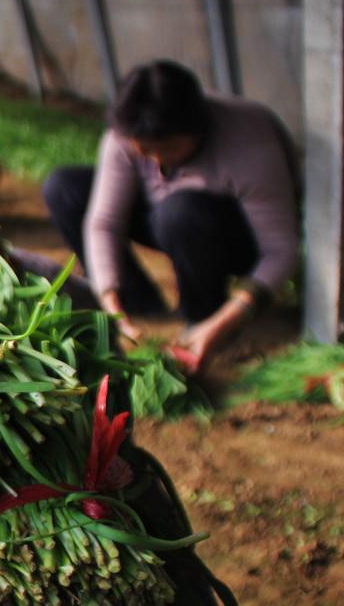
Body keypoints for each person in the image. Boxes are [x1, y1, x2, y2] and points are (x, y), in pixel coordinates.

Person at [43, 60, 300, 372]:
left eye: (169, 149)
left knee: (179, 212)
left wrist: (228, 319)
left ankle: (205, 318)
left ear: (198, 127)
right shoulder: (126, 134)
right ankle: (140, 309)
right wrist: (111, 303)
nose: (157, 160)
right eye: (145, 152)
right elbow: (104, 223)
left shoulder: (250, 139)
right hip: (167, 220)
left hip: (230, 237)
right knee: (65, 187)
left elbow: (281, 250)